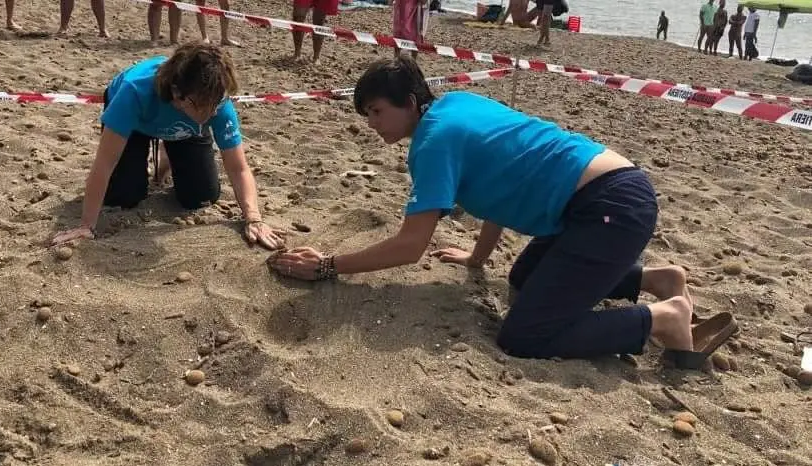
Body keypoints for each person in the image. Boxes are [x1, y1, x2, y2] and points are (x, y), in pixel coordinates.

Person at [267, 57, 734, 367]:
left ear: (409, 103)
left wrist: (328, 265)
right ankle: (655, 278)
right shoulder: (455, 105)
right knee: (524, 281)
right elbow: (502, 187)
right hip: (609, 195)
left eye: (375, 112)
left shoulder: (433, 141)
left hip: (607, 209)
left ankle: (664, 318)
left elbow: (411, 246)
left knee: (525, 336)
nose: (371, 125)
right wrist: (476, 257)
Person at [51, 42, 284, 251]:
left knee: (200, 197)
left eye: (217, 103)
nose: (212, 112)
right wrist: (86, 226)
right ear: (176, 93)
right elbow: (104, 162)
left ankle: (169, 153)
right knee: (124, 196)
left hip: (185, 125)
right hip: (137, 124)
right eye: (203, 104)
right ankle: (164, 145)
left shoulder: (214, 103)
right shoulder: (134, 91)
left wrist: (254, 219)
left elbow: (238, 167)